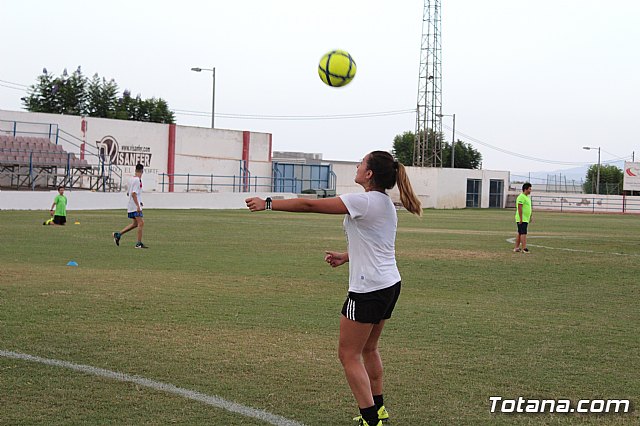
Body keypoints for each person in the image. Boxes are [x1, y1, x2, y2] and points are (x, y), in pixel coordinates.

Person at [245, 151, 422, 426]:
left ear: (370, 174)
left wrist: (268, 203)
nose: (357, 166)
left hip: (368, 290)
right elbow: (377, 244)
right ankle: (379, 409)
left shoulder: (363, 201)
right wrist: (346, 255)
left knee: (348, 354)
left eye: (361, 163)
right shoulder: (385, 203)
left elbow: (310, 206)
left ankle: (370, 419)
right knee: (369, 349)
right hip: (389, 284)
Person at [113, 163, 148, 248]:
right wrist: (138, 206)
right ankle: (138, 244)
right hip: (135, 206)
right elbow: (133, 193)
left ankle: (118, 235)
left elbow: (129, 193)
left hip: (131, 205)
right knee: (141, 223)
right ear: (142, 171)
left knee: (135, 224)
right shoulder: (137, 180)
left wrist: (140, 202)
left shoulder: (131, 179)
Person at [514, 182, 532, 253]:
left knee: (520, 232)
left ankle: (516, 248)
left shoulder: (527, 197)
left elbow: (528, 208)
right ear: (525, 189)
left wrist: (530, 215)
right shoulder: (521, 197)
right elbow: (520, 208)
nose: (530, 190)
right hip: (522, 219)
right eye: (529, 189)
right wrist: (521, 219)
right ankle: (524, 248)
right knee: (523, 233)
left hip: (525, 218)